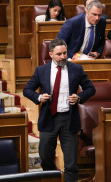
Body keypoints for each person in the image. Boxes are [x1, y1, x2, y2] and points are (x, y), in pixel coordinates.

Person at [23, 38, 96, 182]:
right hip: (48, 118)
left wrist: (79, 97)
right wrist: (38, 97)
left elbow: (91, 89)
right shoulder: (41, 70)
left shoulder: (76, 69)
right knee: (45, 158)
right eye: (59, 54)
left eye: (64, 53)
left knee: (71, 163)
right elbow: (27, 90)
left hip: (69, 119)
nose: (63, 57)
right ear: (51, 54)